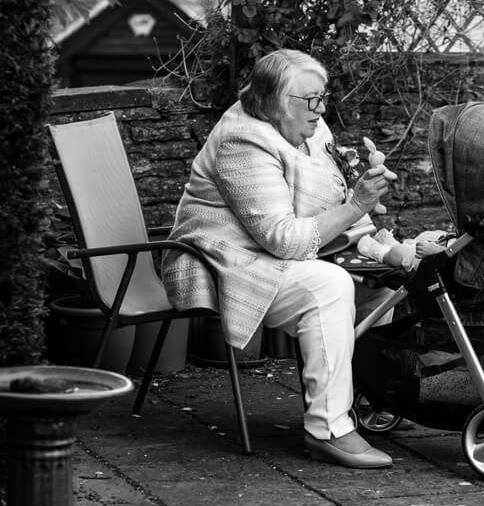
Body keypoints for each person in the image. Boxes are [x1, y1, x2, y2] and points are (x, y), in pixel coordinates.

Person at [161, 49, 402, 469]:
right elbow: (283, 241)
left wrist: (362, 201)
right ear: (276, 102)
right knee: (329, 285)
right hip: (227, 260)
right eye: (312, 100)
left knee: (384, 279)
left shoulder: (304, 123)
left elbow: (327, 194)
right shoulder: (242, 141)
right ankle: (328, 429)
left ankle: (370, 398)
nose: (322, 108)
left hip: (276, 249)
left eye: (322, 96)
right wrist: (356, 207)